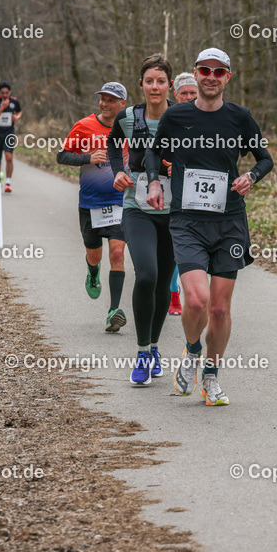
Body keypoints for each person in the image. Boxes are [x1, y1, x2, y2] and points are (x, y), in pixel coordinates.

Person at [145, 48, 273, 406]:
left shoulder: (239, 117)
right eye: (205, 70)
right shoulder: (177, 116)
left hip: (230, 221)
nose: (211, 77)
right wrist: (154, 182)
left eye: (219, 72)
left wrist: (251, 176)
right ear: (196, 74)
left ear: (227, 77)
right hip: (187, 220)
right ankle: (191, 353)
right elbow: (154, 152)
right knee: (197, 300)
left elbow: (265, 158)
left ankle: (212, 376)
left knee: (219, 309)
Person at [107, 55, 176, 385]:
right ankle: (142, 352)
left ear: (169, 85)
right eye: (149, 80)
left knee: (163, 282)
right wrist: (118, 170)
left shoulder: (181, 117)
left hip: (175, 210)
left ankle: (155, 346)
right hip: (137, 207)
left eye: (161, 81)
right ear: (141, 84)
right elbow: (110, 144)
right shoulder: (128, 117)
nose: (155, 86)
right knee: (146, 274)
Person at [56, 82, 128, 333]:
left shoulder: (129, 128)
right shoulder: (84, 126)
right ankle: (93, 272)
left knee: (117, 254)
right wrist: (88, 157)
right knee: (95, 255)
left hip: (120, 202)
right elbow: (62, 156)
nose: (105, 104)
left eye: (111, 100)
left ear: (123, 104)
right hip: (90, 204)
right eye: (102, 99)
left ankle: (114, 311)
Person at [167, 71, 198, 316]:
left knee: (185, 244)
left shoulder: (211, 116)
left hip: (197, 191)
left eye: (192, 93)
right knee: (171, 242)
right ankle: (171, 291)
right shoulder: (170, 117)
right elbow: (155, 149)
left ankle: (178, 292)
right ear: (175, 95)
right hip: (169, 187)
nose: (188, 97)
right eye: (184, 93)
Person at [0, 81, 22, 193]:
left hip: (9, 132)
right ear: (0, 93)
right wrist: (2, 108)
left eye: (7, 93)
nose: (5, 95)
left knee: (9, 157)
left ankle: (8, 183)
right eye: (2, 93)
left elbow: (20, 111)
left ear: (10, 92)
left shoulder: (14, 101)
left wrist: (16, 117)